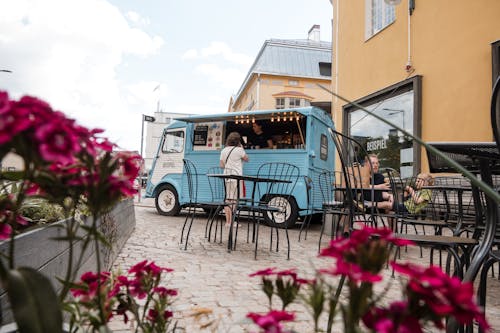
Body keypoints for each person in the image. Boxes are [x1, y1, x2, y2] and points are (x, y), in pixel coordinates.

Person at [220, 132, 249, 227]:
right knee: (234, 200)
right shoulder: (239, 150)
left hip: (226, 178)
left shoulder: (224, 150)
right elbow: (247, 159)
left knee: (228, 199)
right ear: (238, 141)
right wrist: (242, 147)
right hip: (236, 178)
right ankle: (232, 222)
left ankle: (228, 222)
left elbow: (221, 165)